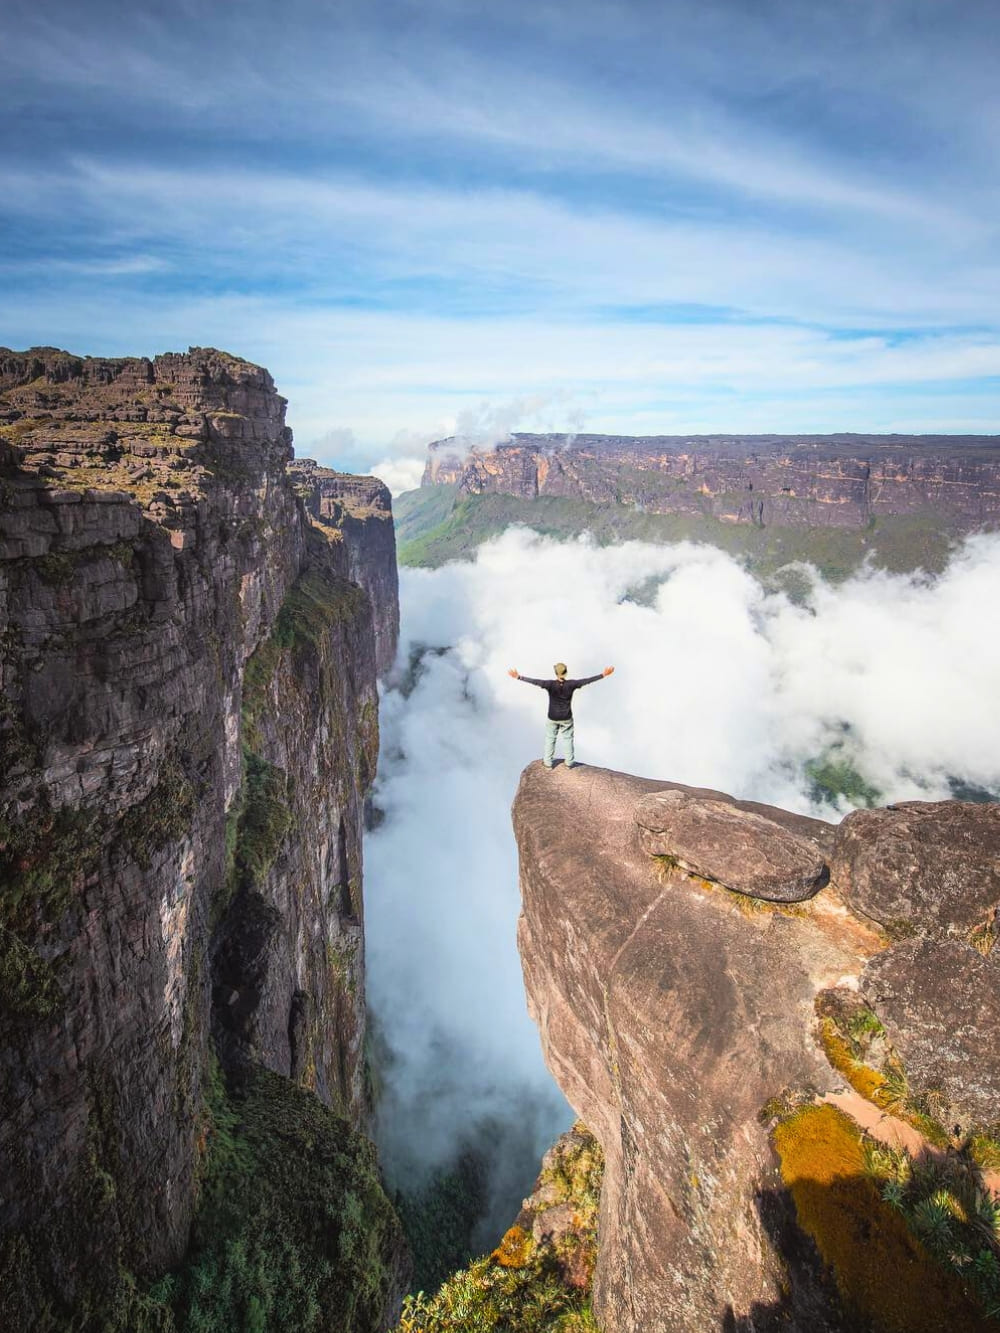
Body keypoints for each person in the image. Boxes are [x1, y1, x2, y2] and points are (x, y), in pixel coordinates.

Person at [508, 662, 615, 768]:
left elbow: (535, 682)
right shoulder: (572, 684)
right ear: (566, 673)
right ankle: (569, 763)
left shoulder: (549, 684)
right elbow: (587, 681)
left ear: (556, 673)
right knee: (568, 739)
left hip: (552, 717)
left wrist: (519, 677)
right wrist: (603, 675)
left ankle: (548, 763)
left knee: (550, 739)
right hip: (566, 717)